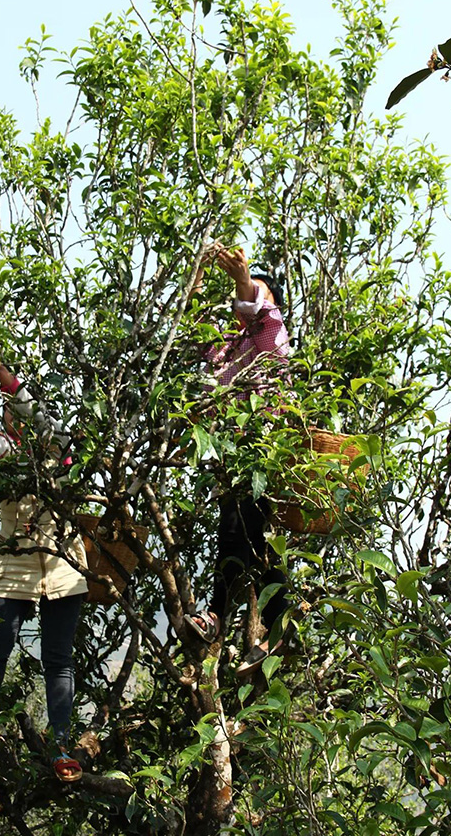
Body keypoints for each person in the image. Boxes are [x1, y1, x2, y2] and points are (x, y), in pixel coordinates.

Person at [0, 338, 87, 782]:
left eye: (22, 410)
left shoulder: (56, 448)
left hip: (63, 565)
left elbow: (34, 412)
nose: (17, 416)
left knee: (58, 659)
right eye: (9, 412)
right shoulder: (5, 454)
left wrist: (0, 370)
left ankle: (61, 743)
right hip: (12, 565)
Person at [184, 246, 292, 675]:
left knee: (238, 533)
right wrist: (196, 278)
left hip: (260, 452)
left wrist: (246, 281)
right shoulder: (229, 348)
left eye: (256, 289)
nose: (243, 295)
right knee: (248, 539)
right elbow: (199, 336)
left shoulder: (272, 331)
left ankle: (220, 616)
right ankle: (272, 623)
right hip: (233, 457)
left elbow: (258, 312)